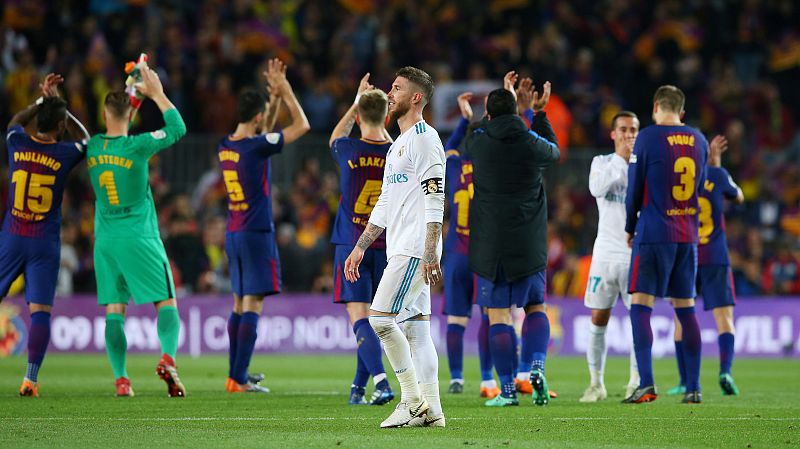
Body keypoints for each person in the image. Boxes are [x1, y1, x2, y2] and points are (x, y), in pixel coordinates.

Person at [343, 66, 446, 428]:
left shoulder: (424, 138)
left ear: (415, 97)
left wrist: (430, 251)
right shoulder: (398, 144)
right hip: (401, 245)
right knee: (417, 329)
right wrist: (360, 246)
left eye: (397, 89)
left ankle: (412, 400)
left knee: (380, 319)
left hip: (416, 247)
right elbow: (386, 202)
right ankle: (433, 412)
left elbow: (436, 197)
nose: (390, 94)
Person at [87, 65, 187, 397]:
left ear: (104, 113)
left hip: (105, 242)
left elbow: (119, 117)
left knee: (114, 311)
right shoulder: (139, 146)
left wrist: (132, 90)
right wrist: (155, 92)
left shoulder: (94, 147)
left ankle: (122, 380)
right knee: (167, 302)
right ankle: (168, 359)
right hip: (140, 237)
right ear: (131, 114)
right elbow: (177, 127)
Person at [464, 73, 560, 407]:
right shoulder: (530, 140)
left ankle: (506, 390)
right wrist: (539, 114)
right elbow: (554, 151)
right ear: (519, 113)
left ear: (488, 114)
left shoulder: (478, 141)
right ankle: (535, 366)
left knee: (499, 314)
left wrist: (504, 102)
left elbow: (474, 133)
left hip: (491, 245)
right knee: (536, 307)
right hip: (528, 242)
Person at [220, 58, 310, 393]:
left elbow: (263, 132)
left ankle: (235, 374)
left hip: (233, 232)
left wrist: (270, 101)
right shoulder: (257, 146)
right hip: (257, 233)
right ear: (257, 118)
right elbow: (302, 125)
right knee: (253, 304)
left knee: (239, 303)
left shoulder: (227, 145)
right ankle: (239, 378)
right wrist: (286, 92)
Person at [1, 73, 89, 397]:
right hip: (43, 243)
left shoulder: (17, 142)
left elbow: (14, 120)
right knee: (40, 312)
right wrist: (63, 108)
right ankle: (30, 380)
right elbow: (90, 139)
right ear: (61, 125)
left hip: (11, 237)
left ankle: (31, 379)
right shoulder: (65, 154)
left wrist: (42, 101)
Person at [624, 85, 708, 405]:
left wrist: (631, 226)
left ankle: (646, 384)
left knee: (641, 307)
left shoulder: (647, 137)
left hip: (655, 232)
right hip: (687, 235)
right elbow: (699, 185)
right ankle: (694, 387)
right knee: (685, 310)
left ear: (656, 105)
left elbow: (634, 189)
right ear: (682, 112)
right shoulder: (699, 139)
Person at [328, 73, 394, 405]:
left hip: (350, 244)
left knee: (359, 317)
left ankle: (381, 382)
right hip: (386, 246)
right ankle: (358, 387)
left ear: (357, 117)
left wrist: (356, 101)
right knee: (376, 318)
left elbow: (335, 135)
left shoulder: (347, 148)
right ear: (386, 116)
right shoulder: (397, 153)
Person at [668, 135, 743, 397]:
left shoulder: (679, 178)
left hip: (686, 254)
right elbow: (739, 197)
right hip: (716, 256)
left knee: (681, 319)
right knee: (725, 319)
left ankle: (683, 380)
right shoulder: (717, 174)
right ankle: (725, 371)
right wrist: (718, 166)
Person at [580, 111, 641, 402]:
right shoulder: (601, 162)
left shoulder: (646, 165)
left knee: (639, 319)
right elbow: (596, 189)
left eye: (633, 130)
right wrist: (621, 158)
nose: (629, 134)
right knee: (598, 317)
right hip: (605, 252)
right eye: (624, 129)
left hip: (635, 253)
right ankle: (596, 384)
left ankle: (636, 382)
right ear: (613, 134)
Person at [441, 92, 499, 399]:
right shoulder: (494, 169)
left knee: (456, 319)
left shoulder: (453, 166)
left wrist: (464, 118)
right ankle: (487, 378)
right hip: (484, 254)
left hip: (456, 253)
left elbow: (449, 147)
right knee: (489, 315)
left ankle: (456, 377)